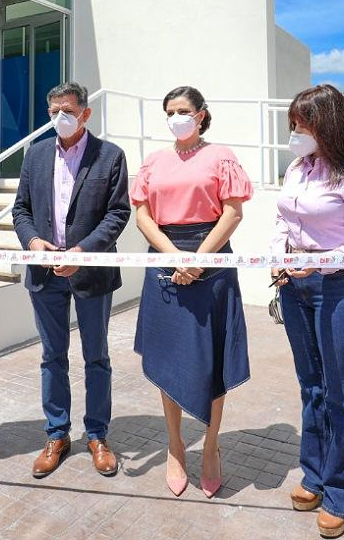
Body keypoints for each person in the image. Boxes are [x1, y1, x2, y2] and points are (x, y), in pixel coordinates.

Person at [270, 84, 344, 539]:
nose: (295, 132)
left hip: (338, 287)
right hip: (293, 286)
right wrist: (278, 255)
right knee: (311, 387)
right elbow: (283, 220)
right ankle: (314, 475)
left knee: (341, 393)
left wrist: (320, 262)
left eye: (303, 124)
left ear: (328, 125)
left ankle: (341, 493)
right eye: (293, 123)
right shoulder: (296, 169)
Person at [130, 85, 252, 498]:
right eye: (169, 112)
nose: (175, 118)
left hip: (211, 259)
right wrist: (174, 258)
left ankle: (211, 445)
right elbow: (143, 215)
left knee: (211, 356)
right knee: (168, 355)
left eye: (182, 110)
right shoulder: (154, 161)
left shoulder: (221, 156)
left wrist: (198, 258)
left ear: (201, 114)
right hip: (165, 258)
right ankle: (176, 446)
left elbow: (232, 212)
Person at [12, 82, 132, 478]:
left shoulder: (110, 156)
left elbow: (118, 213)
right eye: (53, 112)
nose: (60, 118)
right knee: (52, 356)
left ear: (85, 113)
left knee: (96, 356)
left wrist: (82, 252)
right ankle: (57, 434)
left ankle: (97, 435)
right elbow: (21, 209)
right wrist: (33, 242)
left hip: (91, 271)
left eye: (67, 110)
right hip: (45, 272)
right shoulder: (36, 154)